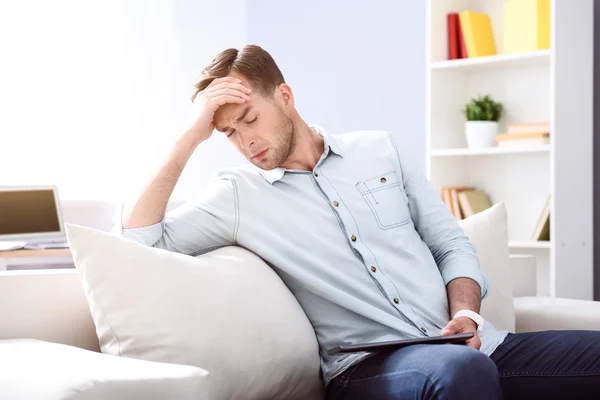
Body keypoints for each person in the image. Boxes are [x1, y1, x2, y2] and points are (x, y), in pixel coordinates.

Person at [116, 45, 600, 400]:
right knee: (458, 374)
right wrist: (188, 136)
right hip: (371, 370)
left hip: (477, 346)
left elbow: (450, 243)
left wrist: (468, 317)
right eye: (226, 133)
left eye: (249, 119)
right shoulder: (238, 195)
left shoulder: (379, 149)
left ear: (285, 96)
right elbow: (138, 241)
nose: (246, 142)